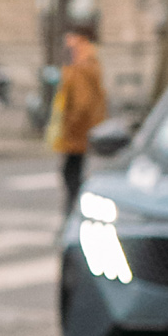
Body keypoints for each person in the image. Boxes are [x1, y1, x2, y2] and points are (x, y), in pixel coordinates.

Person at [54, 18, 107, 216]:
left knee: (71, 173)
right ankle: (73, 212)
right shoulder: (86, 61)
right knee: (72, 172)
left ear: (81, 39)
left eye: (72, 36)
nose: (68, 41)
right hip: (81, 130)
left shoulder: (83, 65)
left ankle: (73, 214)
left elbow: (82, 102)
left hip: (78, 132)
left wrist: (70, 125)